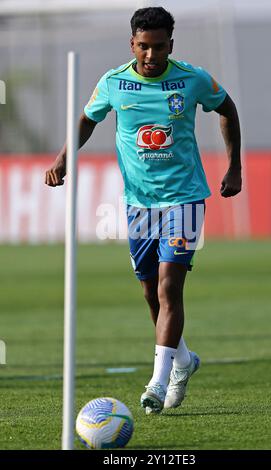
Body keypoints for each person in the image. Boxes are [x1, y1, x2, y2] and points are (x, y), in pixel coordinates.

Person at [45, 7, 242, 415]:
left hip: (185, 197)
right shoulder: (114, 83)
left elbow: (227, 109)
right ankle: (183, 361)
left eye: (159, 46)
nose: (151, 55)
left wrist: (234, 165)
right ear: (132, 44)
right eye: (144, 47)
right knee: (151, 292)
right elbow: (87, 119)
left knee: (170, 287)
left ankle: (157, 381)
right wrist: (64, 158)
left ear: (172, 44)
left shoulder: (192, 79)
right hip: (138, 202)